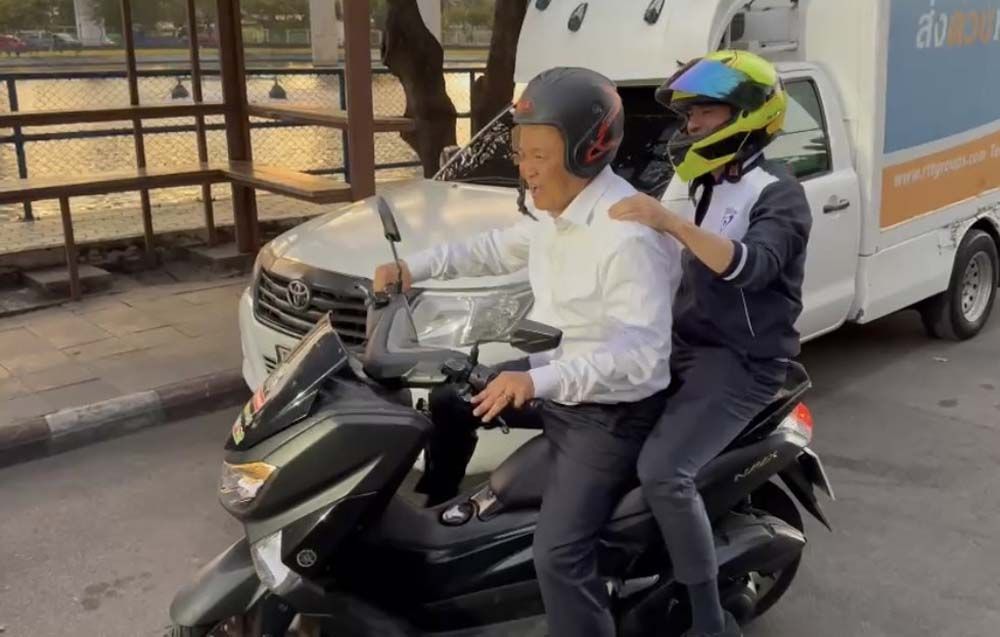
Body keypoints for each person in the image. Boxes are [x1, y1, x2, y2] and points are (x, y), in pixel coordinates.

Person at [372, 67, 682, 637]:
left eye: (539, 155)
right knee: (448, 401)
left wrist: (535, 382)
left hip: (610, 414)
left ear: (588, 151)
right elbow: (496, 248)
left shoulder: (627, 235)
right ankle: (438, 527)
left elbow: (642, 359)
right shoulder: (555, 211)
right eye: (521, 153)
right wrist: (413, 268)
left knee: (559, 557)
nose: (525, 169)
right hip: (559, 374)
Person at [609, 50, 813, 637]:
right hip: (684, 344)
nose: (691, 124)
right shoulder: (705, 182)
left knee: (664, 472)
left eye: (704, 112)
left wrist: (671, 223)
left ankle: (707, 619)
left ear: (746, 115)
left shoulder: (778, 193)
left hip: (743, 363)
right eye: (689, 113)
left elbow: (752, 266)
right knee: (597, 421)